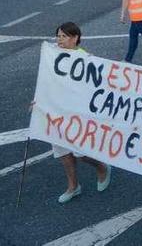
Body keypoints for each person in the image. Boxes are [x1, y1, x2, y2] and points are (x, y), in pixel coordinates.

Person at [49, 22, 111, 203]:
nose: (60, 40)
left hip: (78, 113)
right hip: (56, 110)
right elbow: (47, 81)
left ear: (75, 38)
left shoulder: (85, 58)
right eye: (58, 36)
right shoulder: (52, 56)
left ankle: (102, 167)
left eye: (64, 36)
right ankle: (73, 186)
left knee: (81, 152)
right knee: (62, 151)